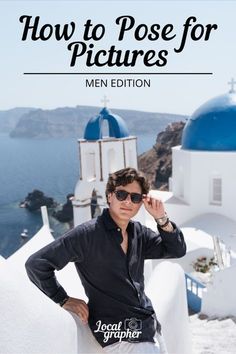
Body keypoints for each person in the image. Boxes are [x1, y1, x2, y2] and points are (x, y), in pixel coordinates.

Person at [25, 167, 186, 353]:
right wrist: (63, 299)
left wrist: (161, 219)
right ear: (109, 196)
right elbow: (37, 264)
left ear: (141, 202)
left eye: (135, 197)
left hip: (149, 328)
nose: (127, 201)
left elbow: (176, 250)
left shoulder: (139, 233)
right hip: (118, 335)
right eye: (121, 194)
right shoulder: (87, 235)